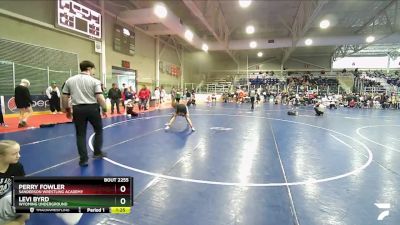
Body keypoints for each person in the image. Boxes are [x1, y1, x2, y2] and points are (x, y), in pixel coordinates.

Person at [62, 60, 107, 167]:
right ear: (89, 69)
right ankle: (97, 152)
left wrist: (67, 110)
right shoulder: (94, 81)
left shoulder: (70, 80)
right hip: (92, 109)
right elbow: (99, 97)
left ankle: (83, 160)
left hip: (78, 109)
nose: (92, 71)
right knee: (98, 131)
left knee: (80, 135)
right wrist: (104, 109)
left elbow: (64, 97)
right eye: (92, 69)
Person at [0, 140, 30, 225]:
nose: (19, 156)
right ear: (1, 156)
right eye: (14, 154)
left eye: (18, 152)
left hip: (4, 200)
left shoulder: (16, 166)